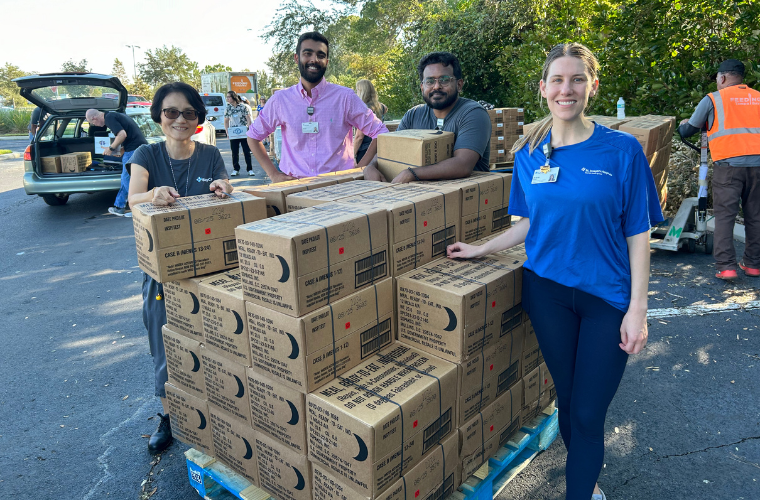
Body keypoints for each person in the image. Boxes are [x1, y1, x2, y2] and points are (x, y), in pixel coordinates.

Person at [447, 43, 663, 500]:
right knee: (568, 400)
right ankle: (588, 483)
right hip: (546, 292)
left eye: (577, 79)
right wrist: (483, 248)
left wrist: (638, 309)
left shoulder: (622, 151)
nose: (568, 89)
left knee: (588, 412)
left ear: (593, 87)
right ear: (544, 88)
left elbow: (638, 232)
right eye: (558, 80)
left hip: (606, 298)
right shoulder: (529, 154)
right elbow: (528, 223)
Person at [127, 82, 233, 454]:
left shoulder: (209, 154)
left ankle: (217, 410)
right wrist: (150, 194)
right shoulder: (146, 154)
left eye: (189, 113)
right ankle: (168, 416)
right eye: (171, 112)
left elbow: (224, 187)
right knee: (164, 343)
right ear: (159, 116)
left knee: (213, 343)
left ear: (199, 119)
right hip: (161, 271)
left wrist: (223, 186)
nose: (180, 119)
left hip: (207, 269)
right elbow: (131, 199)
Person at [246, 31, 388, 182]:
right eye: (308, 53)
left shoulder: (345, 97)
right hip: (295, 188)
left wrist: (361, 169)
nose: (314, 59)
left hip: (340, 188)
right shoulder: (280, 100)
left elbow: (380, 132)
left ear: (327, 61)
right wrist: (274, 174)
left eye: (320, 55)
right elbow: (253, 136)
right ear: (296, 58)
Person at [678, 59, 760, 280]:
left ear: (722, 78)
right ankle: (753, 265)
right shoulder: (758, 97)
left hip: (729, 167)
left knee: (725, 217)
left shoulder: (713, 99)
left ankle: (727, 267)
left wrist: (683, 123)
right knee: (756, 216)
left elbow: (688, 131)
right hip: (758, 167)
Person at [363, 51, 491, 183]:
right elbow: (391, 150)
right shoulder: (413, 115)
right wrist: (370, 166)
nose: (436, 86)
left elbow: (463, 164)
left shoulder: (473, 113)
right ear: (422, 87)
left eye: (444, 80)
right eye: (430, 81)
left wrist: (412, 174)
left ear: (459, 85)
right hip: (418, 196)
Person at [85, 107, 148, 216]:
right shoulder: (114, 115)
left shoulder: (109, 118)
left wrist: (111, 148)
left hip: (134, 149)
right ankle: (119, 207)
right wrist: (122, 150)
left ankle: (140, 208)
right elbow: (129, 134)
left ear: (94, 118)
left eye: (92, 123)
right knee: (125, 178)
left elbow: (122, 134)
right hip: (136, 148)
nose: (94, 125)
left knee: (127, 178)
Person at [354, 79, 388, 163]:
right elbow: (385, 108)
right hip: (378, 149)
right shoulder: (379, 106)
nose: (356, 93)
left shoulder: (364, 109)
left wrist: (352, 155)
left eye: (357, 90)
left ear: (362, 92)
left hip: (364, 151)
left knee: (361, 174)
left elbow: (359, 137)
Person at [224, 91, 255, 176]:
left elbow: (248, 118)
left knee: (246, 151)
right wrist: (227, 131)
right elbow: (226, 120)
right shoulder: (228, 108)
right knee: (234, 152)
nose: (227, 99)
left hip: (243, 131)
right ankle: (236, 169)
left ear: (233, 97)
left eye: (229, 97)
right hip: (233, 132)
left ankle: (250, 169)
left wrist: (249, 129)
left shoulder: (243, 107)